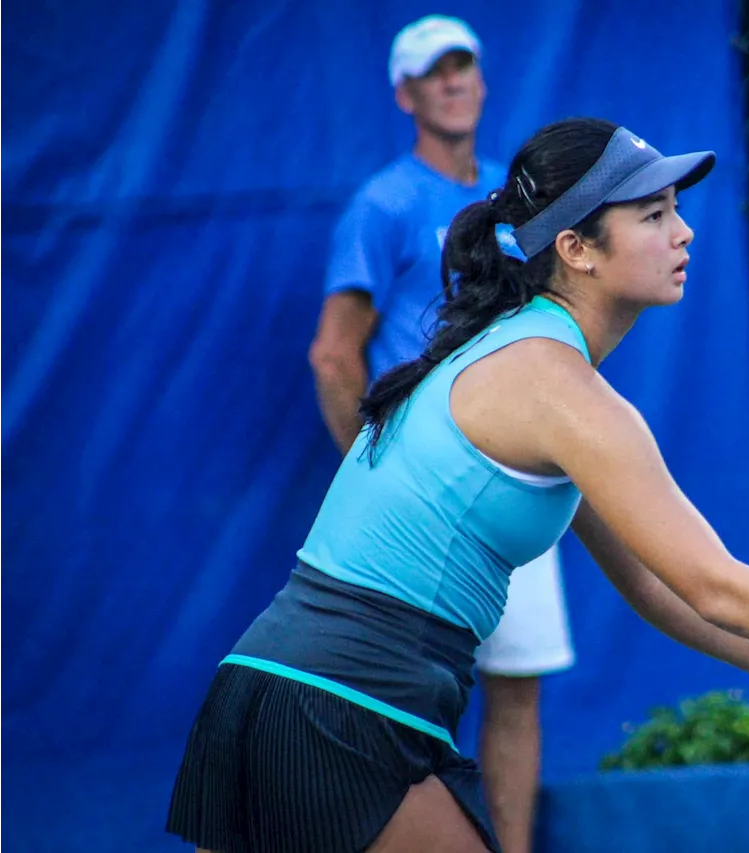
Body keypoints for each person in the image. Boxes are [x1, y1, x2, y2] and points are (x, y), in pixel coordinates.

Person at [168, 116, 749, 853]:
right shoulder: (564, 392)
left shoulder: (530, 367)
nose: (685, 231)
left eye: (678, 210)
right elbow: (715, 582)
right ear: (578, 249)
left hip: (278, 689)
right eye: (655, 213)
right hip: (340, 710)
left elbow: (663, 589)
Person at [305, 16, 568, 851]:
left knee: (516, 686)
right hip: (427, 502)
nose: (453, 82)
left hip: (518, 474)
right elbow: (333, 354)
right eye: (434, 72)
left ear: (483, 83)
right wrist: (378, 469)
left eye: (465, 67)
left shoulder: (512, 197)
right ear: (406, 94)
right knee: (410, 697)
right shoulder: (381, 204)